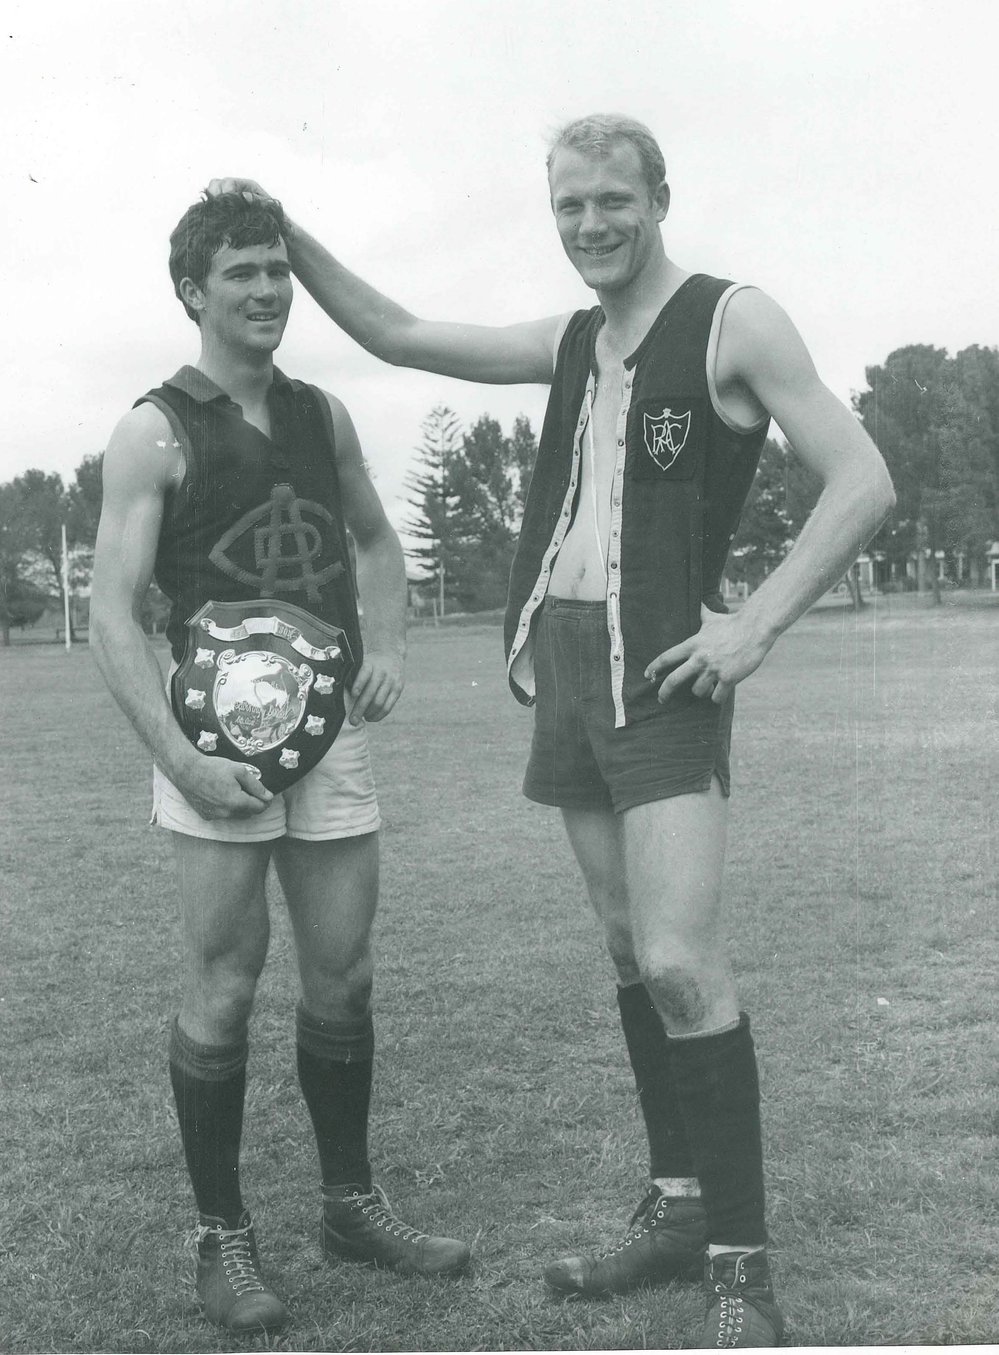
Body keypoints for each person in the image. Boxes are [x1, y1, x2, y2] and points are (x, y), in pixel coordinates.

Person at [210, 111, 894, 1348]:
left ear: (659, 196)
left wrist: (756, 626)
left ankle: (742, 1260)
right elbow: (397, 333)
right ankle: (679, 1207)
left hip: (671, 669)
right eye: (571, 207)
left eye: (613, 202)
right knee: (633, 949)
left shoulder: (736, 318)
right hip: (570, 663)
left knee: (685, 958)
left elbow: (864, 477)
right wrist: (283, 232)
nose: (592, 225)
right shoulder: (575, 339)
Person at [89, 191, 470, 1337]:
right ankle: (223, 1235)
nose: (265, 291)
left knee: (343, 973)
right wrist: (183, 761)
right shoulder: (154, 427)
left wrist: (390, 643)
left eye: (277, 271)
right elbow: (113, 614)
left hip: (330, 737)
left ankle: (351, 1203)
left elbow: (376, 540)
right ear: (194, 290)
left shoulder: (325, 414)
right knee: (223, 980)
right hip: (211, 744)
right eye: (242, 273)